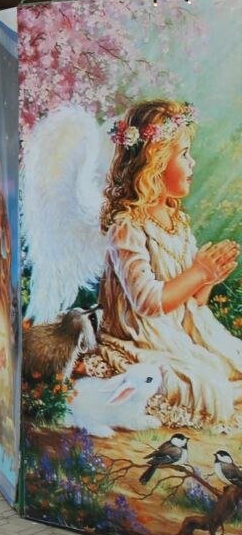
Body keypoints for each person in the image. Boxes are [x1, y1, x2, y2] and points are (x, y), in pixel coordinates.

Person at [97, 100, 242, 423]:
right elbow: (148, 302)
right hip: (142, 336)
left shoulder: (177, 220)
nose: (193, 163)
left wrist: (207, 280)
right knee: (206, 386)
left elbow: (190, 303)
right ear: (155, 162)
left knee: (231, 361)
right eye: (185, 154)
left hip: (177, 331)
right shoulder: (127, 227)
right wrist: (198, 272)